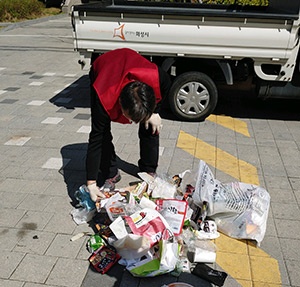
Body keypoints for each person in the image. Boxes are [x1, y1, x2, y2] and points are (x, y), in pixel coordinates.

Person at [85, 48, 171, 202]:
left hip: (130, 62)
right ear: (120, 105)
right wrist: (91, 182)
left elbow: (167, 86)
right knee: (103, 133)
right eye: (129, 117)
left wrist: (155, 112)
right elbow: (95, 139)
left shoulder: (156, 77)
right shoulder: (103, 95)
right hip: (103, 69)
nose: (131, 123)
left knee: (151, 126)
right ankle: (110, 173)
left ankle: (149, 170)